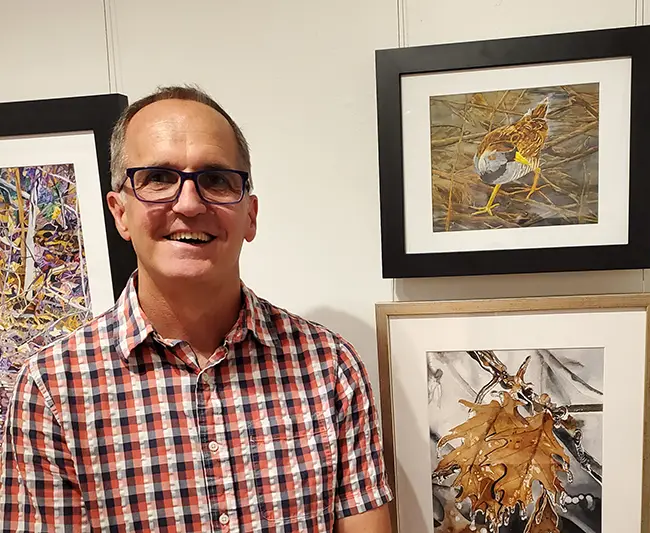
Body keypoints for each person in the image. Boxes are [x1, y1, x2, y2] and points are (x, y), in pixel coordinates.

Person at [0, 85, 393, 531]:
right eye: (158, 178)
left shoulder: (330, 367)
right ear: (120, 212)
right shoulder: (53, 389)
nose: (189, 203)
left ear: (250, 215)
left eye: (216, 180)